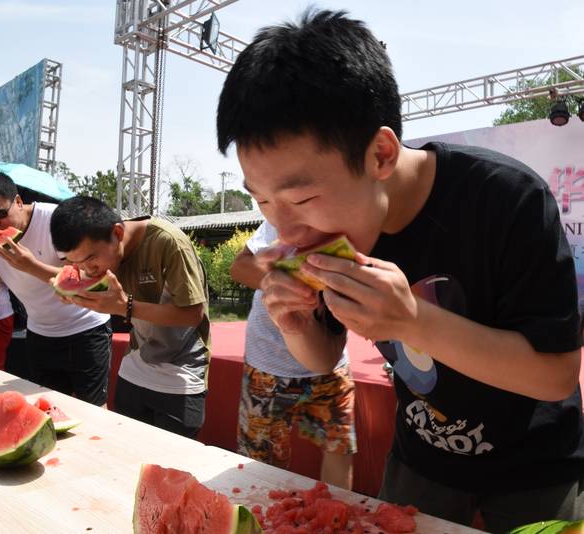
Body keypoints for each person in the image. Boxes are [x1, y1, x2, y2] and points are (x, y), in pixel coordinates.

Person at [216, 8, 584, 532]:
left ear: (380, 154)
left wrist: (412, 321)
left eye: (302, 198)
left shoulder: (508, 200)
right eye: (264, 202)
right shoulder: (330, 230)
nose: (286, 231)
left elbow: (554, 377)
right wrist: (294, 325)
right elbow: (323, 355)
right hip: (420, 464)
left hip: (536, 471)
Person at [49, 196, 210, 439]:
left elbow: (192, 314)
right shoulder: (106, 256)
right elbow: (107, 297)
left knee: (171, 465)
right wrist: (73, 293)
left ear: (117, 232)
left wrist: (127, 307)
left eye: (91, 258)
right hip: (133, 371)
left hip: (180, 377)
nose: (86, 269)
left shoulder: (168, 242)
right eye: (74, 262)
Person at [0, 170, 111, 405]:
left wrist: (31, 266)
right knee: (48, 409)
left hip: (86, 329)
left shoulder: (56, 221)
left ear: (17, 201)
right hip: (40, 335)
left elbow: (87, 280)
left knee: (94, 410)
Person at [231, 220, 356, 489]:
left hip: (330, 365)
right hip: (268, 363)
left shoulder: (344, 221)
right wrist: (285, 284)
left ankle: (332, 520)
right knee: (261, 460)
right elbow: (239, 267)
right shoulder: (279, 220)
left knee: (339, 449)